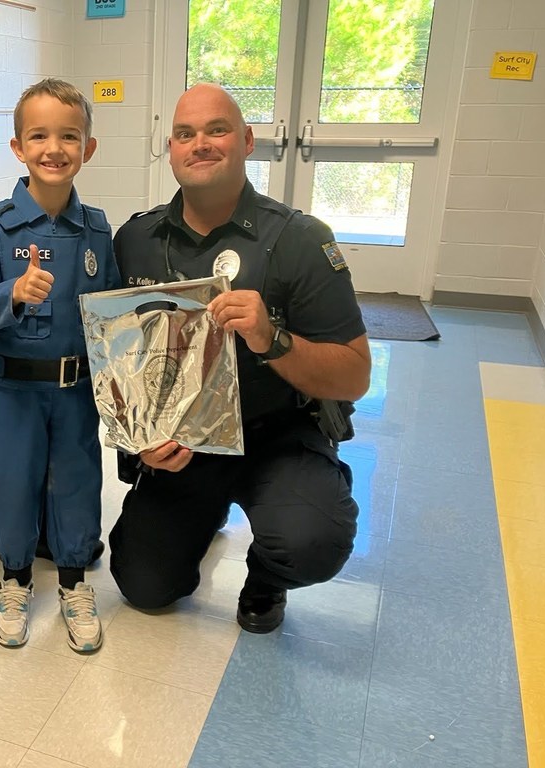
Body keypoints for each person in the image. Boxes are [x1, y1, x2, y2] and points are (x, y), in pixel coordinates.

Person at [109, 83, 371, 634]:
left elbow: (354, 374)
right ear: (171, 149)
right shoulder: (136, 239)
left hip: (275, 434)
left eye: (216, 130)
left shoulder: (300, 240)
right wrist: (141, 443)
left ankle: (266, 576)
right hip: (185, 442)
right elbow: (121, 365)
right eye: (185, 134)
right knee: (145, 586)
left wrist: (272, 339)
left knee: (312, 541)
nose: (199, 144)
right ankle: (204, 513)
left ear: (248, 141)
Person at [0, 79, 121, 651]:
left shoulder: (98, 231)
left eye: (69, 136)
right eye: (39, 136)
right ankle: (15, 578)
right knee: (12, 483)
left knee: (77, 483)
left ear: (88, 148)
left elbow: (112, 316)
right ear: (17, 147)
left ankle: (76, 582)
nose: (54, 148)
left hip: (76, 390)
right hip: (10, 390)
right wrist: (16, 293)